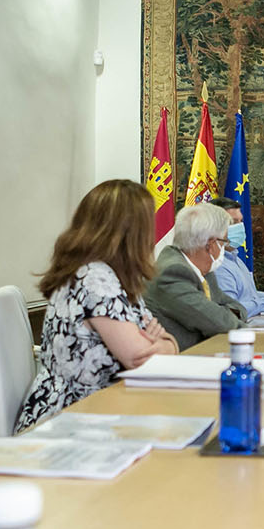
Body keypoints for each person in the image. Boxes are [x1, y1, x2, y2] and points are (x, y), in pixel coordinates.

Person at [15, 181, 178, 432]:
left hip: (100, 412)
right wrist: (165, 344)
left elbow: (156, 343)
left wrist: (166, 343)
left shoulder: (112, 277)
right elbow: (142, 360)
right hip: (69, 420)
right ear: (129, 232)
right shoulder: (94, 277)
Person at [145, 203, 248, 351]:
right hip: (181, 362)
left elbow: (238, 308)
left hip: (205, 353)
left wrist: (220, 313)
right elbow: (221, 324)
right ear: (211, 245)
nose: (224, 248)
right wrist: (218, 315)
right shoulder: (173, 273)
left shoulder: (204, 270)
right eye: (224, 242)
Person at [209, 196, 264, 318]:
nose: (240, 227)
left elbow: (250, 296)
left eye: (241, 221)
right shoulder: (217, 264)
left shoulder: (235, 259)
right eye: (234, 222)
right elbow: (232, 310)